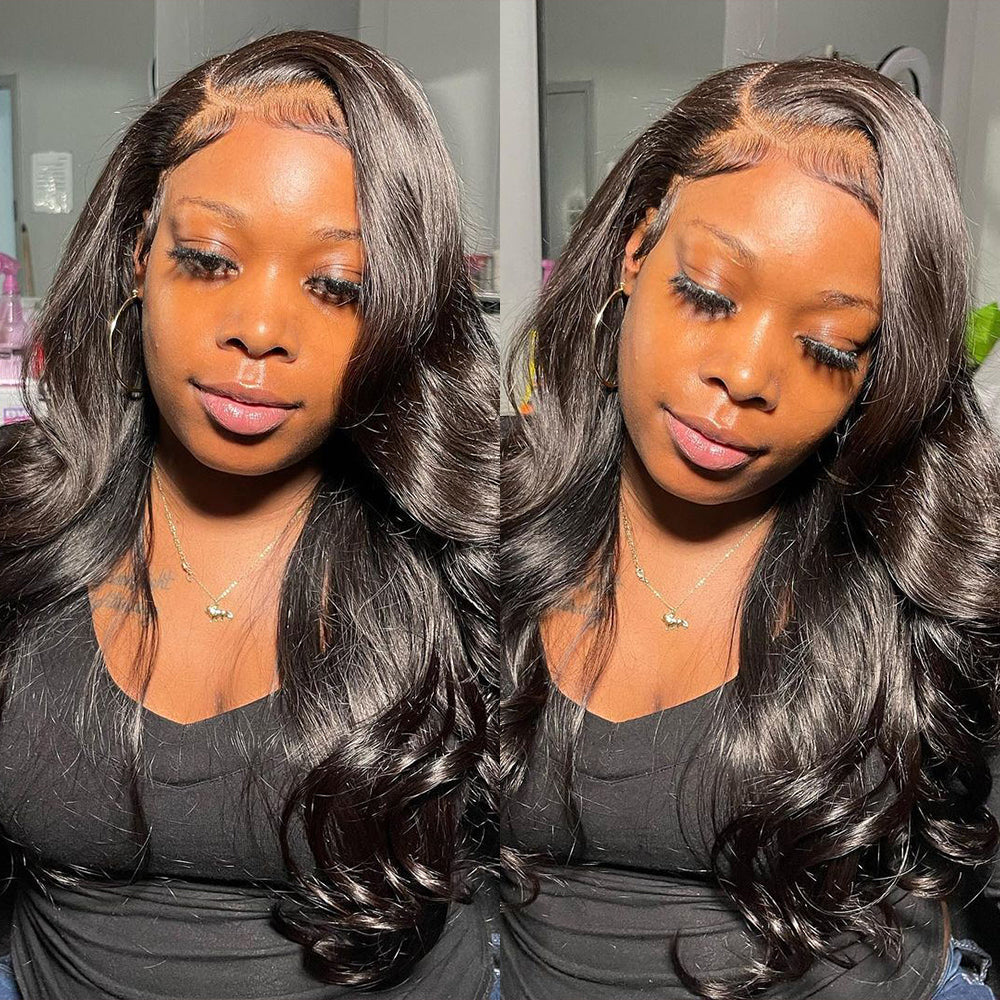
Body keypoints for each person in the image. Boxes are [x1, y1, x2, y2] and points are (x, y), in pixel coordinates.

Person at [0, 29, 497, 1000]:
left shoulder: (474, 552)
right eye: (212, 259)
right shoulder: (22, 516)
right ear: (139, 254)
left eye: (337, 285)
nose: (260, 331)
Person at [501, 57, 1000, 1000]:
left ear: (878, 373)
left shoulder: (918, 573)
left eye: (827, 347)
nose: (746, 375)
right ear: (636, 253)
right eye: (710, 294)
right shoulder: (481, 513)